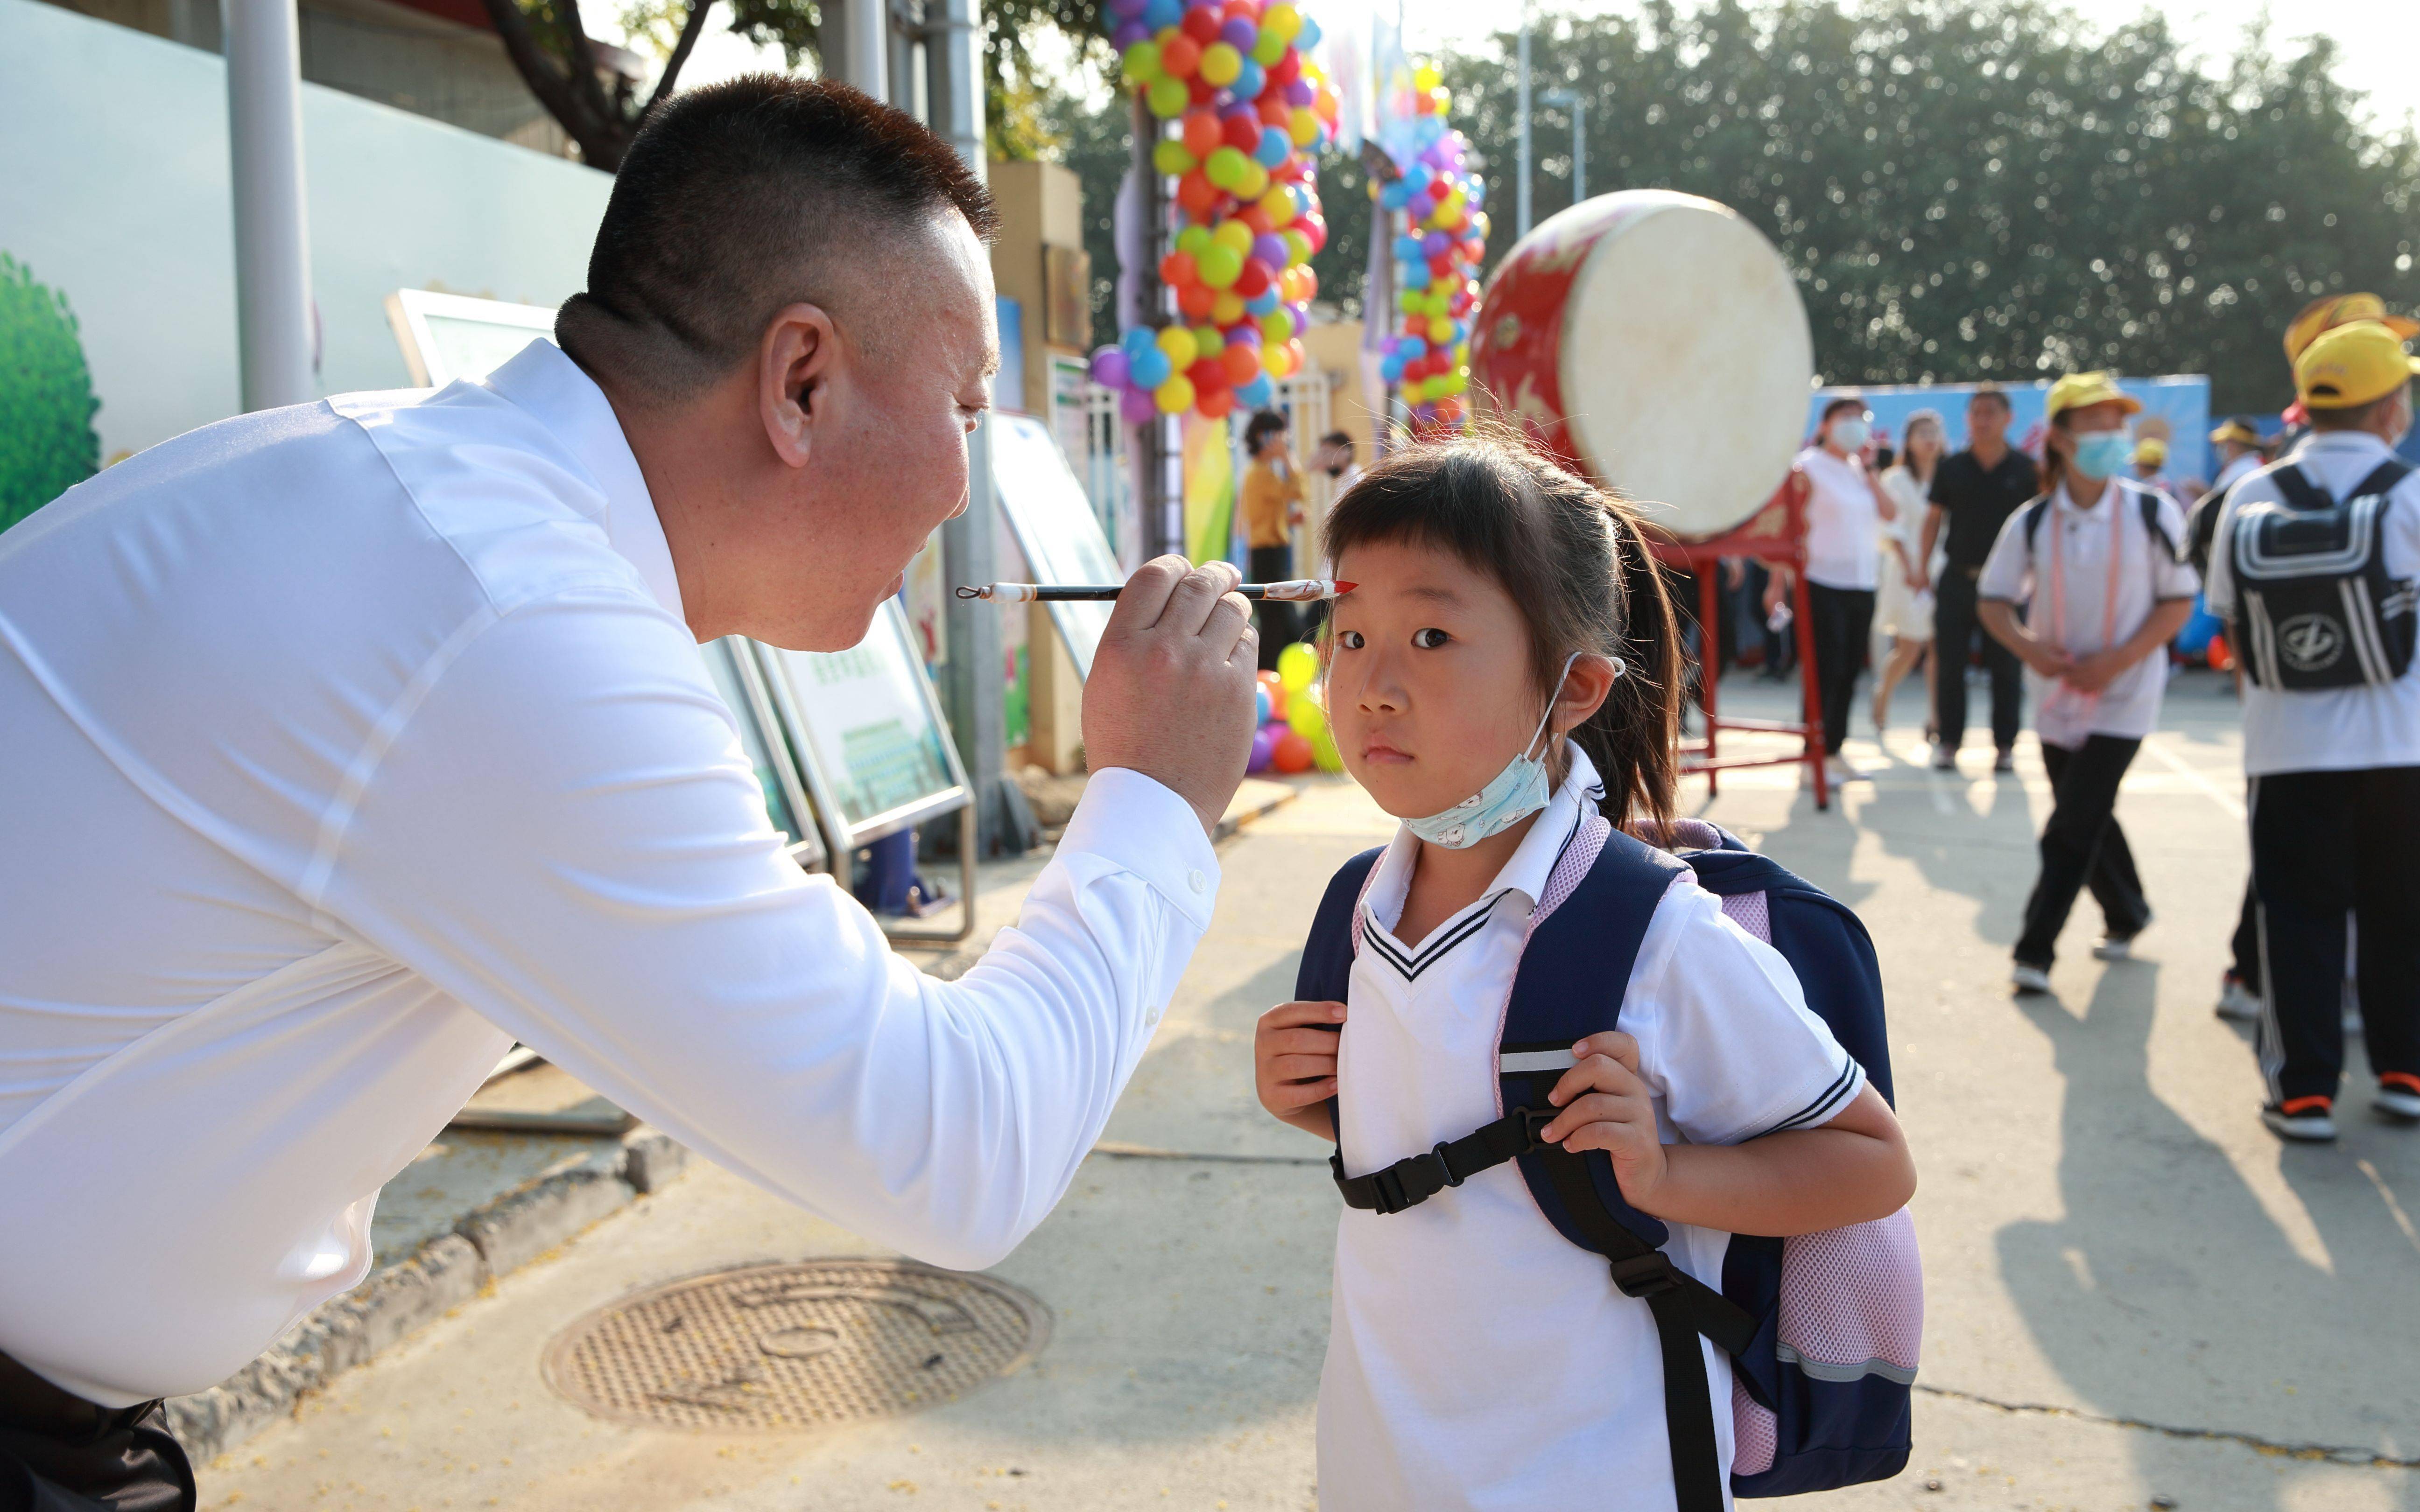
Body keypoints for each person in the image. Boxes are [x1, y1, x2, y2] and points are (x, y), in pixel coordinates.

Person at [0, 78, 1260, 1510]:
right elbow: (956, 1151)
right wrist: (1154, 797)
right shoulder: (502, 624)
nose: (967, 483)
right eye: (965, 406)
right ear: (802, 382)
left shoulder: (441, 510)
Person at [1250, 432, 1914, 1511]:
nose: (1368, 682)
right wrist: (1314, 1101)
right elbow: (1459, 1150)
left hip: (1597, 1468)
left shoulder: (1652, 930)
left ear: (1574, 687)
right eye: (1349, 630)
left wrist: (1664, 1176)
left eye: (1428, 633)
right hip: (1380, 1456)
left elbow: (1868, 1161)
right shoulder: (1354, 906)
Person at [2206, 319, 2420, 1141]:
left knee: (2296, 917)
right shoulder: (2407, 492)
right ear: (2385, 410)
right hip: (2400, 747)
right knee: (2399, 912)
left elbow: (2227, 625)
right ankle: (2402, 1071)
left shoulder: (2249, 495)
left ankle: (2301, 1092)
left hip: (2286, 750)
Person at [1977, 373, 2199, 995]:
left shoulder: (2153, 511)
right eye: (2094, 424)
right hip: (2055, 695)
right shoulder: (2033, 521)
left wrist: (2119, 659)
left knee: (2073, 822)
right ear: (2062, 439)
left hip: (2126, 693)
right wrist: (2028, 647)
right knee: (2087, 810)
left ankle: (2034, 950)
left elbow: (2178, 602)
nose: (2110, 435)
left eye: (2115, 423)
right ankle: (2129, 912)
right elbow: (1994, 599)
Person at [1773, 395, 1896, 778]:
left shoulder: (1861, 470)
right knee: (1824, 669)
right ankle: (1813, 755)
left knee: (1848, 670)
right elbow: (1786, 528)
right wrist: (1777, 584)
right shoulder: (1807, 467)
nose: (1854, 424)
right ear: (1824, 425)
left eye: (1861, 418)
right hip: (1820, 580)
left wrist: (1872, 470)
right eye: (1845, 417)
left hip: (1862, 581)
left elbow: (1891, 513)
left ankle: (1835, 750)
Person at [1922, 384, 2039, 773]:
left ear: (2009, 419)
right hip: (1957, 579)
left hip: (2007, 586)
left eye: (1990, 412)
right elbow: (1934, 518)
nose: (1982, 420)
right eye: (1976, 413)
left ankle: (2005, 745)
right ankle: (1949, 742)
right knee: (1951, 665)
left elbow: (2041, 526)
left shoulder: (2026, 469)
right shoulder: (1952, 466)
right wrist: (1922, 568)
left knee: (2006, 666)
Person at [1873, 408, 1946, 739]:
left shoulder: (1950, 476)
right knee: (1910, 648)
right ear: (1910, 442)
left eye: (1935, 433)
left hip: (1943, 570)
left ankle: (1937, 717)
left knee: (1942, 648)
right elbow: (1892, 529)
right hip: (1907, 573)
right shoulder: (1895, 480)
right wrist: (1912, 569)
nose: (1931, 440)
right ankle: (1883, 694)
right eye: (1923, 434)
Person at [1242, 407, 1308, 668]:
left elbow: (1270, 513)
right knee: (1279, 623)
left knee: (1279, 622)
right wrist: (1288, 458)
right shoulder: (1261, 474)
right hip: (1268, 555)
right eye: (1279, 435)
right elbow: (1298, 492)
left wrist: (1289, 520)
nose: (1284, 440)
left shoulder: (1263, 472)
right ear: (1264, 437)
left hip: (1271, 553)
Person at [1314, 428, 1362, 496]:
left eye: (1327, 452)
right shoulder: (1345, 479)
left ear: (1345, 452)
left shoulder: (1355, 481)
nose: (1324, 458)